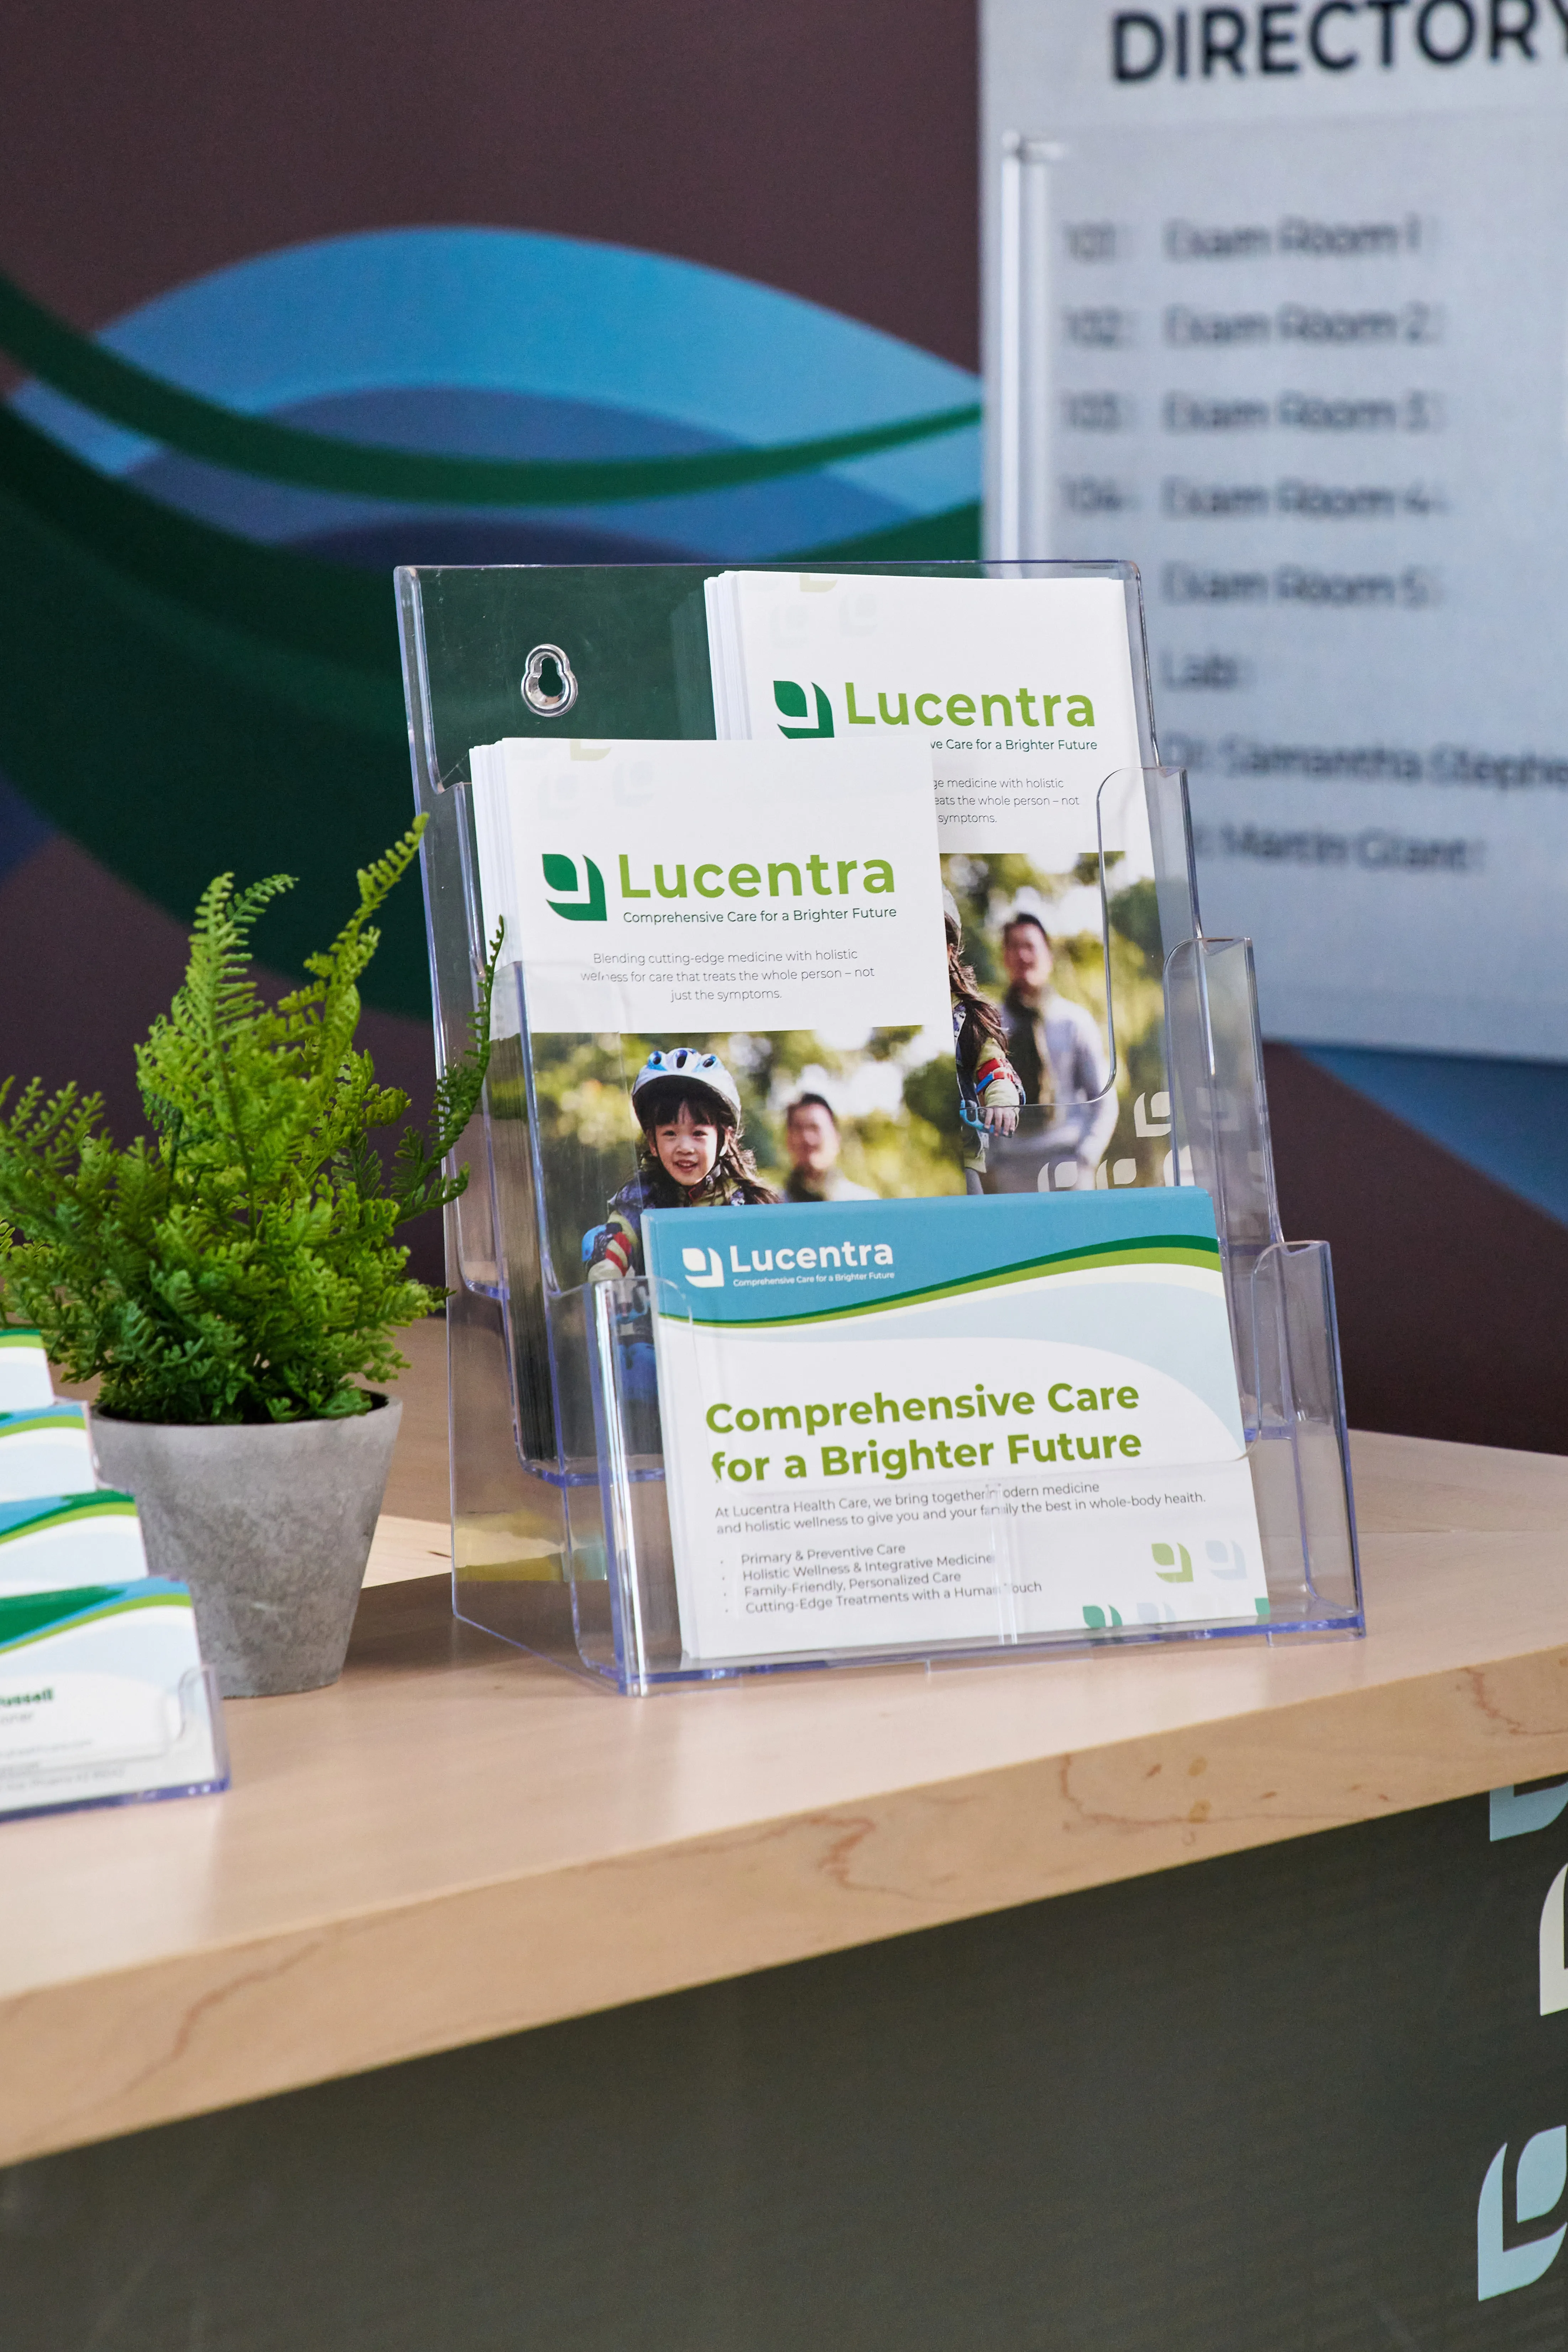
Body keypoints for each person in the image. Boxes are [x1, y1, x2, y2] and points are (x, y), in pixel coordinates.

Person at [587, 1048, 776, 1282]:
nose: (685, 1147)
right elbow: (619, 1238)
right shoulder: (641, 1203)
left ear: (724, 1140)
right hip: (665, 1315)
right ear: (653, 1143)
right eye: (670, 1133)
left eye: (698, 1133)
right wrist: (608, 1267)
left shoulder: (749, 1205)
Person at [999, 911, 1118, 1185]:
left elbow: (1103, 1099)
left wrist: (1087, 1156)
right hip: (1011, 1170)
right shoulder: (990, 1026)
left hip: (1067, 1163)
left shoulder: (1074, 1021)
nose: (1023, 956)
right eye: (1014, 947)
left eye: (1030, 947)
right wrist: (991, 1163)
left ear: (1048, 957)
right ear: (1005, 958)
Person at [945, 891, 1021, 1193]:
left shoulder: (967, 1019)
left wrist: (1001, 1103)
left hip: (963, 1162)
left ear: (950, 952)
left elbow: (995, 1069)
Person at [782, 1094, 874, 1203]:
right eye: (798, 1129)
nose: (807, 1138)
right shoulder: (773, 1207)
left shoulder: (863, 1204)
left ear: (836, 1139)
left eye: (815, 1128)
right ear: (788, 1141)